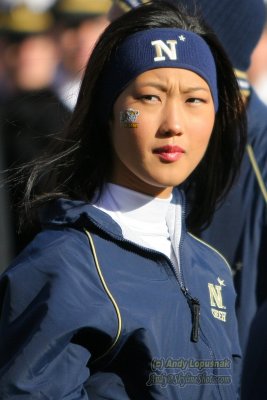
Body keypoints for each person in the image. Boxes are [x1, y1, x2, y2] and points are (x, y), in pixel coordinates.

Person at [0, 1, 246, 398]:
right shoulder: (63, 266)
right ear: (108, 111)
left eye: (195, 99)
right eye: (149, 97)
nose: (174, 124)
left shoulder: (213, 269)